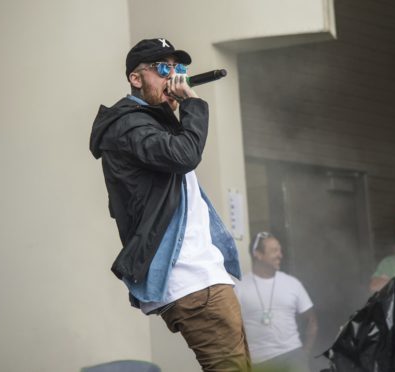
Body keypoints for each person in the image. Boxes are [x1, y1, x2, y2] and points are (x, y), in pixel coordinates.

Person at [89, 38, 251, 372]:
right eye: (163, 68)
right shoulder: (128, 125)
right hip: (191, 279)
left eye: (179, 69)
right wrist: (192, 103)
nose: (174, 77)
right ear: (137, 78)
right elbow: (185, 155)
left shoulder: (151, 121)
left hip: (200, 276)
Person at [235, 232, 318, 372]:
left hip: (293, 357)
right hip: (259, 363)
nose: (280, 255)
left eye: (279, 250)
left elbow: (312, 320)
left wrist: (304, 355)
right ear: (257, 254)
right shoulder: (240, 287)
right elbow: (232, 328)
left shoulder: (292, 283)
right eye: (274, 250)